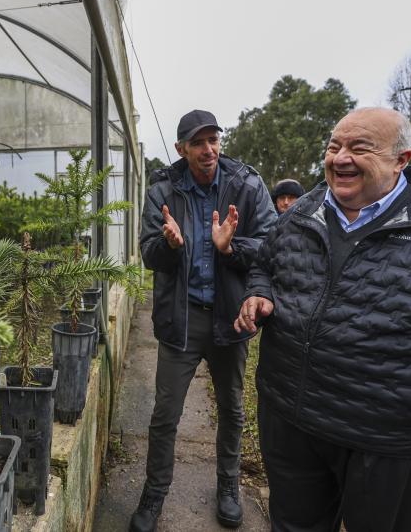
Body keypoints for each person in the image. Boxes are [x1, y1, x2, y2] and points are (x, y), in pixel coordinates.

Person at [235, 107, 411, 532]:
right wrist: (259, 292)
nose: (340, 157)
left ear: (402, 159)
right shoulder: (301, 213)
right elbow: (264, 265)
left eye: (360, 147)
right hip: (292, 419)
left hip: (388, 439)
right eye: (334, 146)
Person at [135, 109, 276, 530]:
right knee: (164, 414)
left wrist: (231, 248)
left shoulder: (246, 184)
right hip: (181, 319)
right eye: (198, 142)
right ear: (182, 149)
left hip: (229, 316)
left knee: (232, 409)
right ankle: (154, 493)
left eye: (214, 139)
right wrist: (170, 245)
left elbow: (272, 245)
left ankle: (228, 486)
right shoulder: (162, 188)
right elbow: (147, 253)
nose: (208, 149)